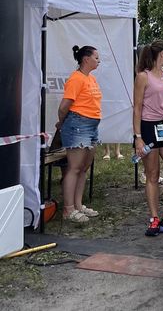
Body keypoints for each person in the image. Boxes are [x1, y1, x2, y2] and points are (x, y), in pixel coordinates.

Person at [133, 40, 163, 236]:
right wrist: (138, 137)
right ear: (162, 53)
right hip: (148, 127)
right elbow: (137, 108)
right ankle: (154, 217)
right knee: (152, 174)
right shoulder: (143, 77)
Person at [57, 45, 102, 223]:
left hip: (91, 125)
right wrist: (62, 123)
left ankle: (78, 204)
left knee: (83, 167)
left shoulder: (91, 78)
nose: (99, 61)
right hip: (78, 124)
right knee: (74, 167)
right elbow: (63, 107)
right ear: (86, 59)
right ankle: (68, 209)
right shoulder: (76, 79)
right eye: (96, 58)